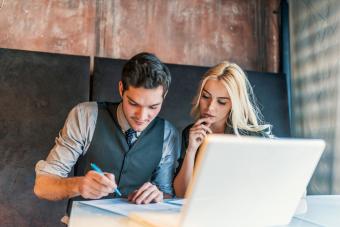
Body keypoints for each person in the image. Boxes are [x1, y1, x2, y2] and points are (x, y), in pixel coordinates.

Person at [34, 53, 180, 210]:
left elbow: (166, 194)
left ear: (164, 97)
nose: (142, 117)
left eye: (153, 107)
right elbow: (42, 186)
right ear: (121, 89)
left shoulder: (168, 133)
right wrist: (79, 184)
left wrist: (158, 196)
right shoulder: (86, 116)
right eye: (133, 103)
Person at [173, 61, 273, 197]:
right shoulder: (191, 133)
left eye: (221, 102)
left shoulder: (253, 138)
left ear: (234, 104)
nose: (210, 107)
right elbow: (182, 194)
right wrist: (191, 150)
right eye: (206, 97)